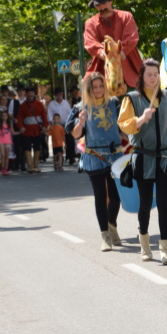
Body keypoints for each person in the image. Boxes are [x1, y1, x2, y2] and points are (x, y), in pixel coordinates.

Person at [119, 58, 167, 264]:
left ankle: (165, 248)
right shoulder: (132, 99)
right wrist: (141, 118)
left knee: (164, 204)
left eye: (156, 74)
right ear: (142, 76)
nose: (153, 78)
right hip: (143, 157)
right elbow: (125, 126)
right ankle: (145, 244)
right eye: (149, 74)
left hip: (164, 158)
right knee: (145, 203)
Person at [67, 72, 125, 251]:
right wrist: (80, 122)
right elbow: (75, 134)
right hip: (94, 157)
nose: (99, 90)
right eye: (95, 87)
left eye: (101, 86)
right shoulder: (81, 107)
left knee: (116, 197)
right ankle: (105, 236)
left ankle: (112, 224)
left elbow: (124, 128)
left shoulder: (115, 103)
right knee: (101, 197)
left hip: (115, 156)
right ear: (89, 89)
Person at [84, 0, 143, 89]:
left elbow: (132, 36)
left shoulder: (126, 16)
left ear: (110, 1)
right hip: (103, 70)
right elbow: (89, 42)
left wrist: (122, 51)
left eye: (104, 3)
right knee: (88, 88)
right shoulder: (90, 23)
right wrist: (102, 51)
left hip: (128, 67)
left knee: (146, 83)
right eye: (98, 5)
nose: (102, 7)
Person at [17, 87, 47, 174]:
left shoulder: (39, 104)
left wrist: (45, 126)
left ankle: (36, 166)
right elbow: (19, 117)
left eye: (32, 93)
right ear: (26, 95)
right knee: (27, 148)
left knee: (37, 147)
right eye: (29, 93)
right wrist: (20, 127)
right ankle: (30, 166)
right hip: (26, 130)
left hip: (37, 129)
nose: (30, 95)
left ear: (34, 94)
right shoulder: (22, 105)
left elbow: (44, 116)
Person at [47, 88, 75, 165]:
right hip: (57, 126)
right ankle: (59, 159)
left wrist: (71, 122)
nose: (59, 96)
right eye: (57, 94)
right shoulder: (52, 104)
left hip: (66, 124)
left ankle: (71, 157)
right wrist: (51, 123)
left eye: (60, 94)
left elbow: (70, 113)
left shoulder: (66, 102)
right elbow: (49, 115)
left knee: (70, 140)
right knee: (58, 142)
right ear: (55, 95)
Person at [9, 84, 27, 171]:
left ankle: (23, 163)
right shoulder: (14, 102)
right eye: (19, 91)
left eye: (22, 91)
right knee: (16, 145)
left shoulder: (27, 101)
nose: (20, 92)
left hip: (25, 125)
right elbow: (10, 114)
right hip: (16, 125)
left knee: (24, 145)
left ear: (24, 92)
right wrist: (15, 119)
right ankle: (17, 163)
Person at [0, 111, 18, 176]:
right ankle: (3, 169)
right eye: (3, 116)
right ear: (1, 117)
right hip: (1, 141)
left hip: (8, 141)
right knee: (3, 155)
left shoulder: (10, 124)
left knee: (6, 156)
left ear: (7, 116)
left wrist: (20, 132)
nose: (4, 117)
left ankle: (6, 169)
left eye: (5, 116)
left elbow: (13, 133)